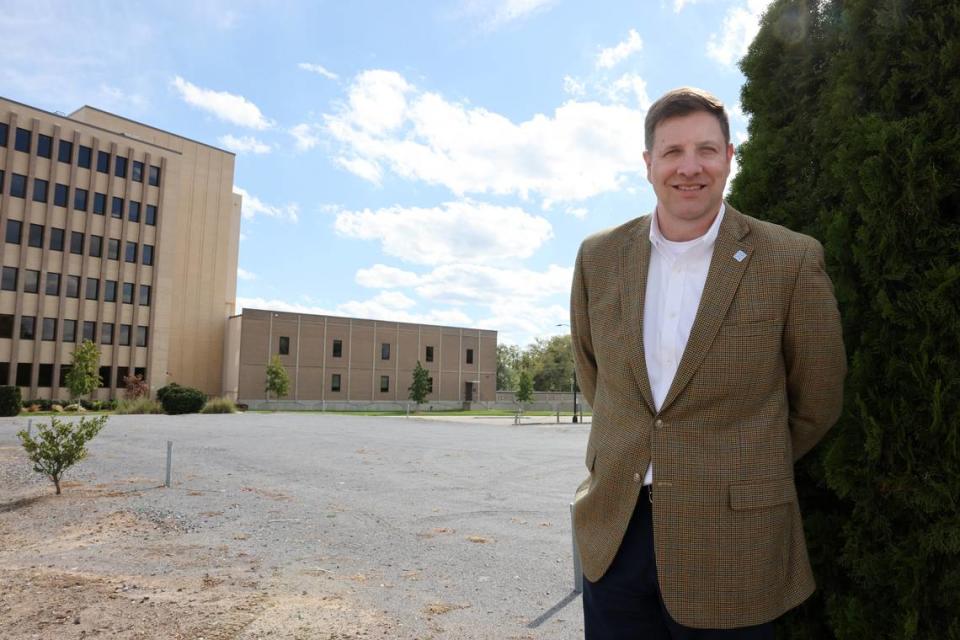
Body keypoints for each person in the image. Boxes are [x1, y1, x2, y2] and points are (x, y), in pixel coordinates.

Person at [569, 87, 846, 639]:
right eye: (672, 152)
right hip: (616, 532)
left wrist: (742, 460)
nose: (689, 167)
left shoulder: (789, 258)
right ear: (648, 164)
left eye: (706, 150)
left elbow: (818, 398)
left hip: (733, 539)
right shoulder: (597, 257)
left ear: (729, 157)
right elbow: (596, 376)